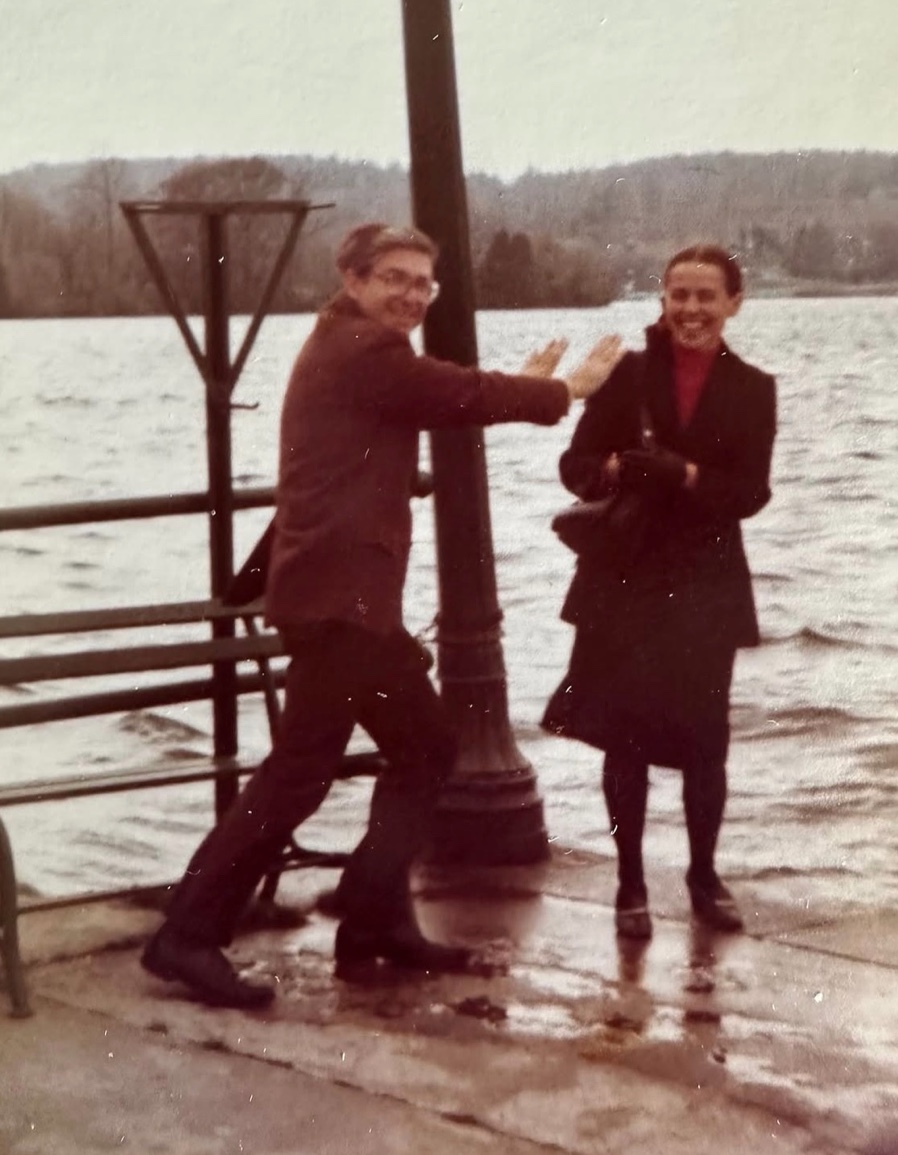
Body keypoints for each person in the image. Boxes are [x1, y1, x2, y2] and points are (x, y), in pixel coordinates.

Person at [141, 221, 623, 1007]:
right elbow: (453, 392)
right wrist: (562, 391)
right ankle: (189, 936)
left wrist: (510, 384)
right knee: (306, 772)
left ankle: (371, 921)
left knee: (425, 747)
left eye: (422, 283)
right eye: (393, 277)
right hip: (340, 604)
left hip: (341, 601)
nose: (410, 294)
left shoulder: (351, 347)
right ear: (353, 278)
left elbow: (428, 398)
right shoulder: (363, 350)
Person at [542, 244, 777, 940]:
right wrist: (616, 466)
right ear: (662, 298)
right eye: (680, 295)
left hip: (706, 586)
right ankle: (629, 883)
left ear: (735, 302)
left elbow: (752, 492)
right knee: (626, 741)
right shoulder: (627, 375)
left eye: (707, 296)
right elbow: (574, 466)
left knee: (707, 743)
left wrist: (687, 475)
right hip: (624, 581)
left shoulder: (754, 387)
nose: (692, 310)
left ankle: (704, 876)